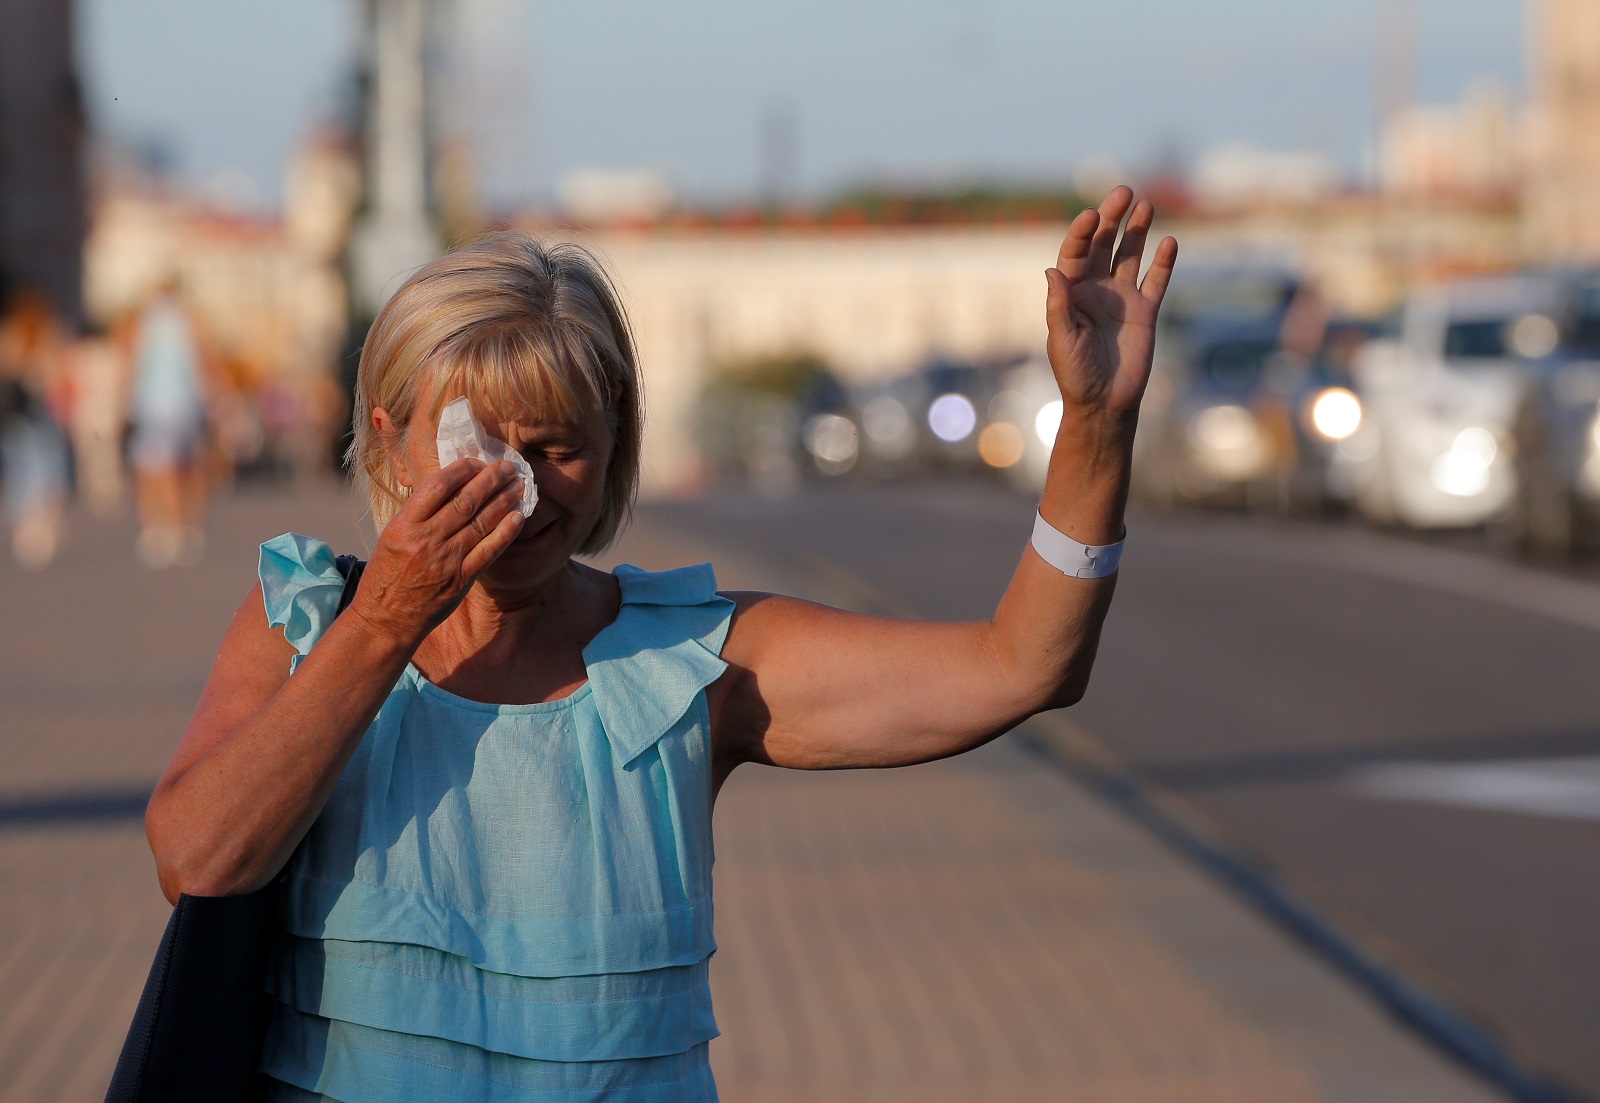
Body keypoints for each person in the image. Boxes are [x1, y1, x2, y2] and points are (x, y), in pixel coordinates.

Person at [145, 186, 1177, 1102]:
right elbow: (197, 857)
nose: (519, 492)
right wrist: (386, 621)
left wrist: (1092, 428)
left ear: (614, 444)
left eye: (558, 449)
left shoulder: (688, 663)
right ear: (391, 435)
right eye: (478, 449)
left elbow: (1022, 665)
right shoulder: (307, 621)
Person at [128, 277, 210, 568]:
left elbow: (133, 362)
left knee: (152, 467)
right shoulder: (188, 320)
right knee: (184, 466)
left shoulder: (144, 320)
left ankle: (155, 526)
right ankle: (184, 526)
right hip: (183, 403)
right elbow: (201, 362)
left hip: (150, 402)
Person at [0, 286, 72, 569]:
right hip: (44, 413)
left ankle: (25, 526)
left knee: (20, 467)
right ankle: (43, 523)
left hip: (17, 415)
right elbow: (60, 376)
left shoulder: (10, 335)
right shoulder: (51, 335)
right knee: (48, 467)